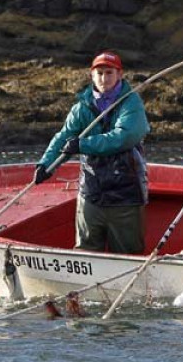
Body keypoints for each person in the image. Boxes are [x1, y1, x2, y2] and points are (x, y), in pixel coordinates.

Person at [33, 50, 150, 255]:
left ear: (119, 75)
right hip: (91, 192)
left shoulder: (132, 103)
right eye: (100, 73)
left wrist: (82, 145)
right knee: (85, 251)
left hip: (126, 194)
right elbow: (64, 137)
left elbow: (124, 137)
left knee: (128, 253)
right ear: (92, 76)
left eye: (109, 73)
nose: (104, 78)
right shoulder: (81, 107)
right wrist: (46, 164)